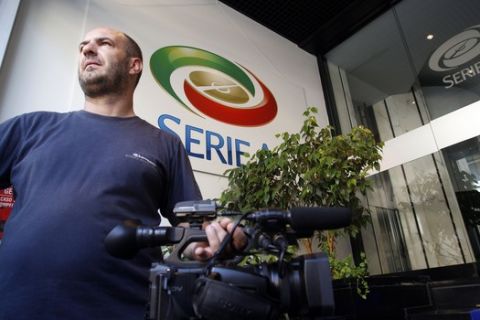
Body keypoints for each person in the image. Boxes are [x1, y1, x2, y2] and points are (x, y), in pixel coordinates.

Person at [0, 27, 245, 320]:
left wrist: (218, 240)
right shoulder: (30, 128)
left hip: (122, 308)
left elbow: (195, 233)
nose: (88, 50)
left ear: (134, 65)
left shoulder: (164, 144)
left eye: (103, 43)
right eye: (83, 46)